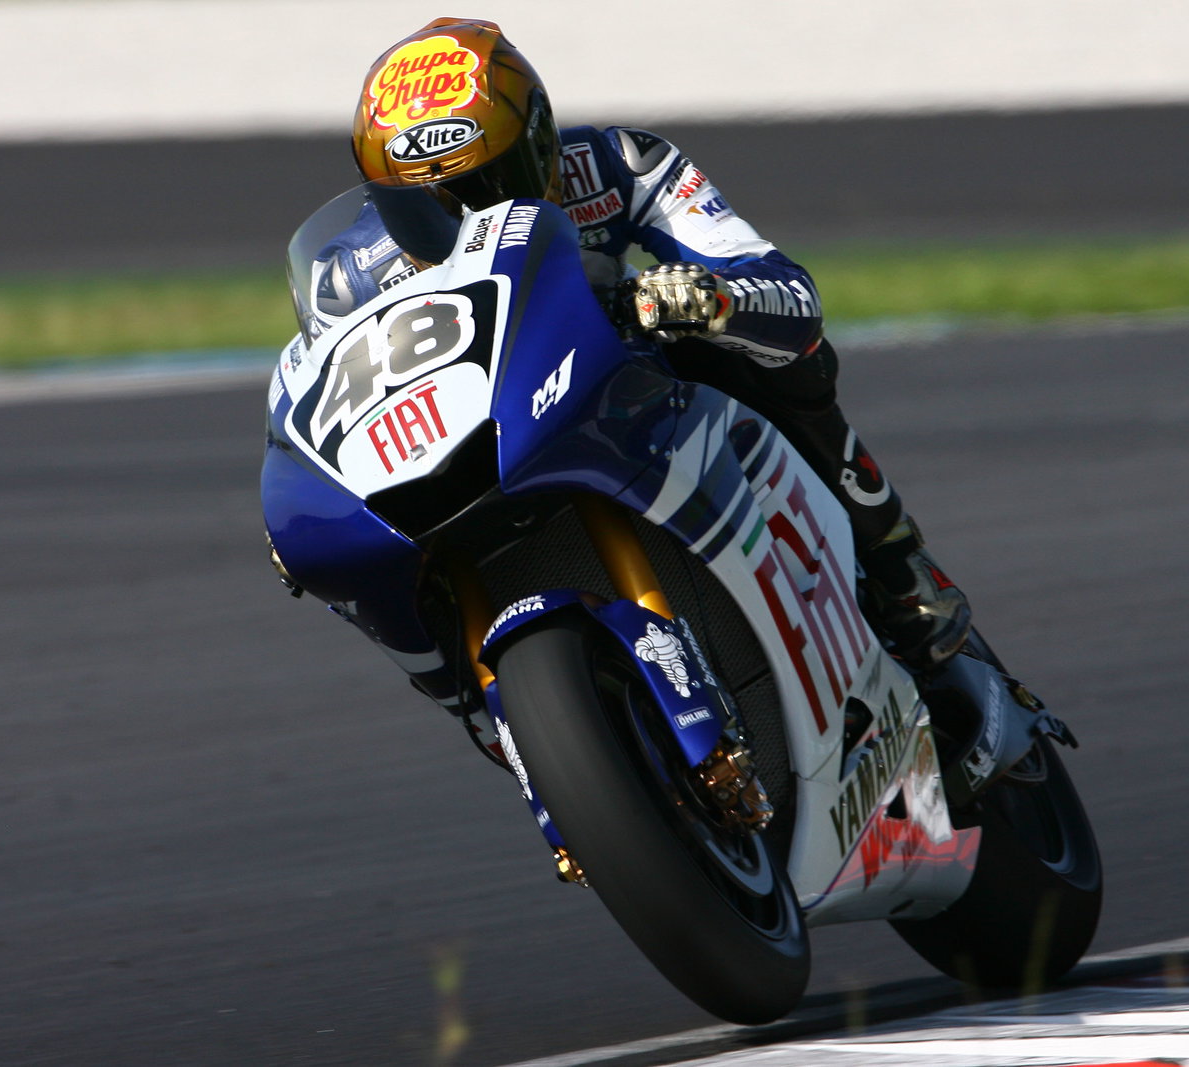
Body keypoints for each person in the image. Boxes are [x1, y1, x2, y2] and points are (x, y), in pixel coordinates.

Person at [344, 16, 971, 671]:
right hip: (481, 432)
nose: (467, 219)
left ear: (541, 144)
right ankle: (460, 686)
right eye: (422, 206)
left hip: (628, 383)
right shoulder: (352, 268)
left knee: (755, 346)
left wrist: (713, 299)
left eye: (486, 185)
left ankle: (895, 560)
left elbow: (791, 295)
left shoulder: (618, 164)